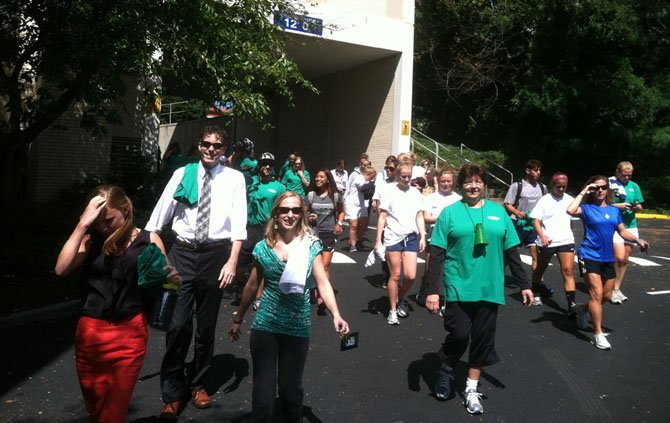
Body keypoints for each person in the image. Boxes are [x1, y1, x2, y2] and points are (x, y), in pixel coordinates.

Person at [145, 125, 247, 419]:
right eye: (206, 144)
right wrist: (164, 263)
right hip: (182, 256)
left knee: (206, 327)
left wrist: (232, 261)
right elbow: (155, 224)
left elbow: (239, 225)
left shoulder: (235, 179)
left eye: (217, 145)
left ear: (224, 149)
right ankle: (172, 394)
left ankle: (199, 383)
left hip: (216, 257)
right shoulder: (183, 174)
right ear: (199, 145)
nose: (211, 149)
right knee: (177, 326)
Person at [55, 185, 180, 423]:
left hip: (129, 335)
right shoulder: (91, 240)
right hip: (90, 335)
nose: (102, 226)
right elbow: (61, 269)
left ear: (125, 209)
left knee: (111, 415)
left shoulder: (148, 240)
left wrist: (174, 280)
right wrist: (82, 225)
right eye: (96, 221)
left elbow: (166, 285)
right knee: (96, 411)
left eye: (108, 220)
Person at [228, 191, 349, 423]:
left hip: (297, 326)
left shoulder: (311, 246)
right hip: (266, 326)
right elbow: (252, 285)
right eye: (284, 210)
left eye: (295, 210)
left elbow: (322, 282)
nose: (290, 214)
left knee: (290, 391)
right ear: (276, 213)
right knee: (263, 393)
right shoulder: (262, 248)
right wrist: (238, 319)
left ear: (302, 214)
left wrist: (336, 314)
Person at [425, 164, 533, 415]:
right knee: (460, 334)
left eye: (478, 181)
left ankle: (471, 388)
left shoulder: (498, 212)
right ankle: (447, 367)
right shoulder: (450, 213)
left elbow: (512, 252)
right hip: (458, 285)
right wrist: (433, 290)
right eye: (468, 182)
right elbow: (437, 253)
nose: (473, 186)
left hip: (489, 287)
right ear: (461, 186)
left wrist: (525, 284)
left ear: (484, 184)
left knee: (483, 340)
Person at [566, 176, 649, 350]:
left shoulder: (613, 210)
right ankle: (597, 334)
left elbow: (622, 231)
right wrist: (584, 190)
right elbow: (570, 210)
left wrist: (638, 240)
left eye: (603, 187)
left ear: (608, 190)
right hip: (589, 254)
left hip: (607, 257)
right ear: (591, 190)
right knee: (596, 293)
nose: (600, 190)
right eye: (596, 188)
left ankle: (581, 309)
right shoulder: (586, 208)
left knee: (606, 295)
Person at [374, 162, 426, 325]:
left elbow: (419, 216)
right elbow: (382, 216)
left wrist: (423, 236)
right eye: (403, 176)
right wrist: (378, 240)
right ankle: (393, 309)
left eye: (409, 176)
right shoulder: (389, 192)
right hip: (393, 236)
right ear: (397, 175)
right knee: (395, 275)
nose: (406, 179)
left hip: (410, 236)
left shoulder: (416, 194)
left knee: (410, 276)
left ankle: (399, 297)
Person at [241, 152, 287, 311]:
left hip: (268, 229)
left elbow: (284, 208)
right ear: (259, 165)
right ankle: (246, 283)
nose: (267, 167)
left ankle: (259, 296)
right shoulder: (250, 183)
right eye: (264, 163)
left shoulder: (279, 187)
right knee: (240, 264)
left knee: (262, 264)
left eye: (271, 164)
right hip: (249, 228)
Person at [528, 172, 577, 313]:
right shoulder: (545, 200)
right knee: (540, 269)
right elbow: (536, 220)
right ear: (553, 185)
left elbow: (572, 221)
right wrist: (542, 236)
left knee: (568, 271)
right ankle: (536, 292)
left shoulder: (570, 200)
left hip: (566, 240)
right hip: (547, 241)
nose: (561, 189)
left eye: (564, 187)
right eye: (558, 186)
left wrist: (570, 235)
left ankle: (571, 305)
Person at [416, 168, 462, 307]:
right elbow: (426, 217)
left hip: (454, 239)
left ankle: (450, 299)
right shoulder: (430, 198)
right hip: (434, 238)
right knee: (430, 269)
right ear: (439, 181)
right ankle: (424, 291)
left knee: (452, 270)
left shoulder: (459, 199)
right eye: (443, 181)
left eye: (449, 181)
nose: (446, 184)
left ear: (453, 182)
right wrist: (446, 219)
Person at [503, 159, 549, 298]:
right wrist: (517, 212)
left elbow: (546, 205)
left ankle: (537, 283)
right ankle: (497, 278)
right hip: (517, 224)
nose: (538, 173)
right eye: (536, 170)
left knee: (536, 255)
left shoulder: (542, 187)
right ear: (528, 170)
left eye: (540, 170)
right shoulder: (517, 186)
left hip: (533, 225)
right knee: (509, 254)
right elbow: (507, 204)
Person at [305, 169, 345, 311]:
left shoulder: (335, 196)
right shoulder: (310, 196)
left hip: (329, 233)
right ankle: (313, 288)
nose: (318, 178)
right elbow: (304, 212)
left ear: (328, 179)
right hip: (313, 233)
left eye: (321, 176)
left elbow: (341, 211)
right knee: (313, 264)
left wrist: (339, 224)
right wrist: (308, 217)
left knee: (325, 265)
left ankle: (322, 295)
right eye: (316, 176)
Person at [608, 161, 645, 304]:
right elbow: (603, 204)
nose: (627, 178)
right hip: (615, 225)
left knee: (625, 259)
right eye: (624, 175)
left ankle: (617, 288)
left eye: (629, 175)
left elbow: (640, 205)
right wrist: (619, 206)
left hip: (630, 224)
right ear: (617, 172)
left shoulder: (634, 186)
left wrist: (637, 208)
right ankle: (610, 287)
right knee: (618, 257)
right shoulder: (610, 184)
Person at [343, 165, 377, 252]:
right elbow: (361, 186)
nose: (372, 179)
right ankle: (353, 246)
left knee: (364, 225)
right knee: (353, 225)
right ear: (367, 174)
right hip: (352, 204)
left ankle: (354, 240)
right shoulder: (359, 178)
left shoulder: (368, 181)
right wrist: (370, 183)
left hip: (361, 204)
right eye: (371, 176)